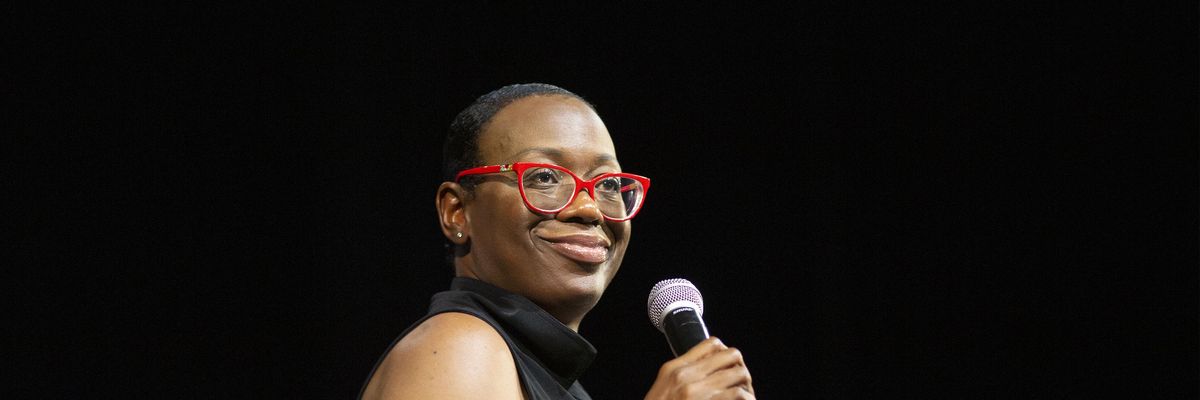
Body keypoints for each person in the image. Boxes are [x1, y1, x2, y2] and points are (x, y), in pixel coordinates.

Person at [359, 83, 755, 400]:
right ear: (457, 211)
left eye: (608, 184)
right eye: (545, 177)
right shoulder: (461, 348)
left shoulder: (542, 374)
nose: (589, 208)